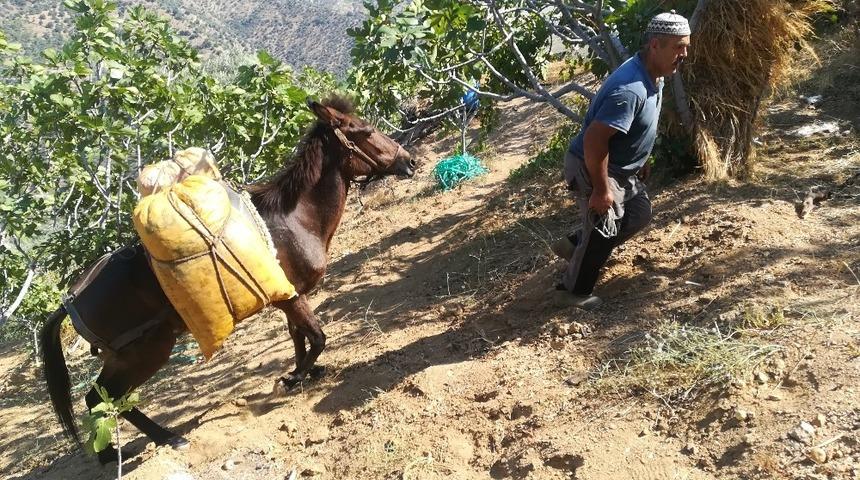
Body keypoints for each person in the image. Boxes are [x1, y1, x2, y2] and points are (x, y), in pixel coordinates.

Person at [551, 11, 691, 310]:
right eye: (678, 47)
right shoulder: (630, 89)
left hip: (618, 165)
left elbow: (635, 127)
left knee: (638, 212)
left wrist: (640, 158)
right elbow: (594, 140)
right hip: (594, 164)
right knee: (605, 227)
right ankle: (572, 291)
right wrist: (601, 190)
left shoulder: (656, 74)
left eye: (686, 46)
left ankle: (575, 245)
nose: (684, 54)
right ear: (656, 45)